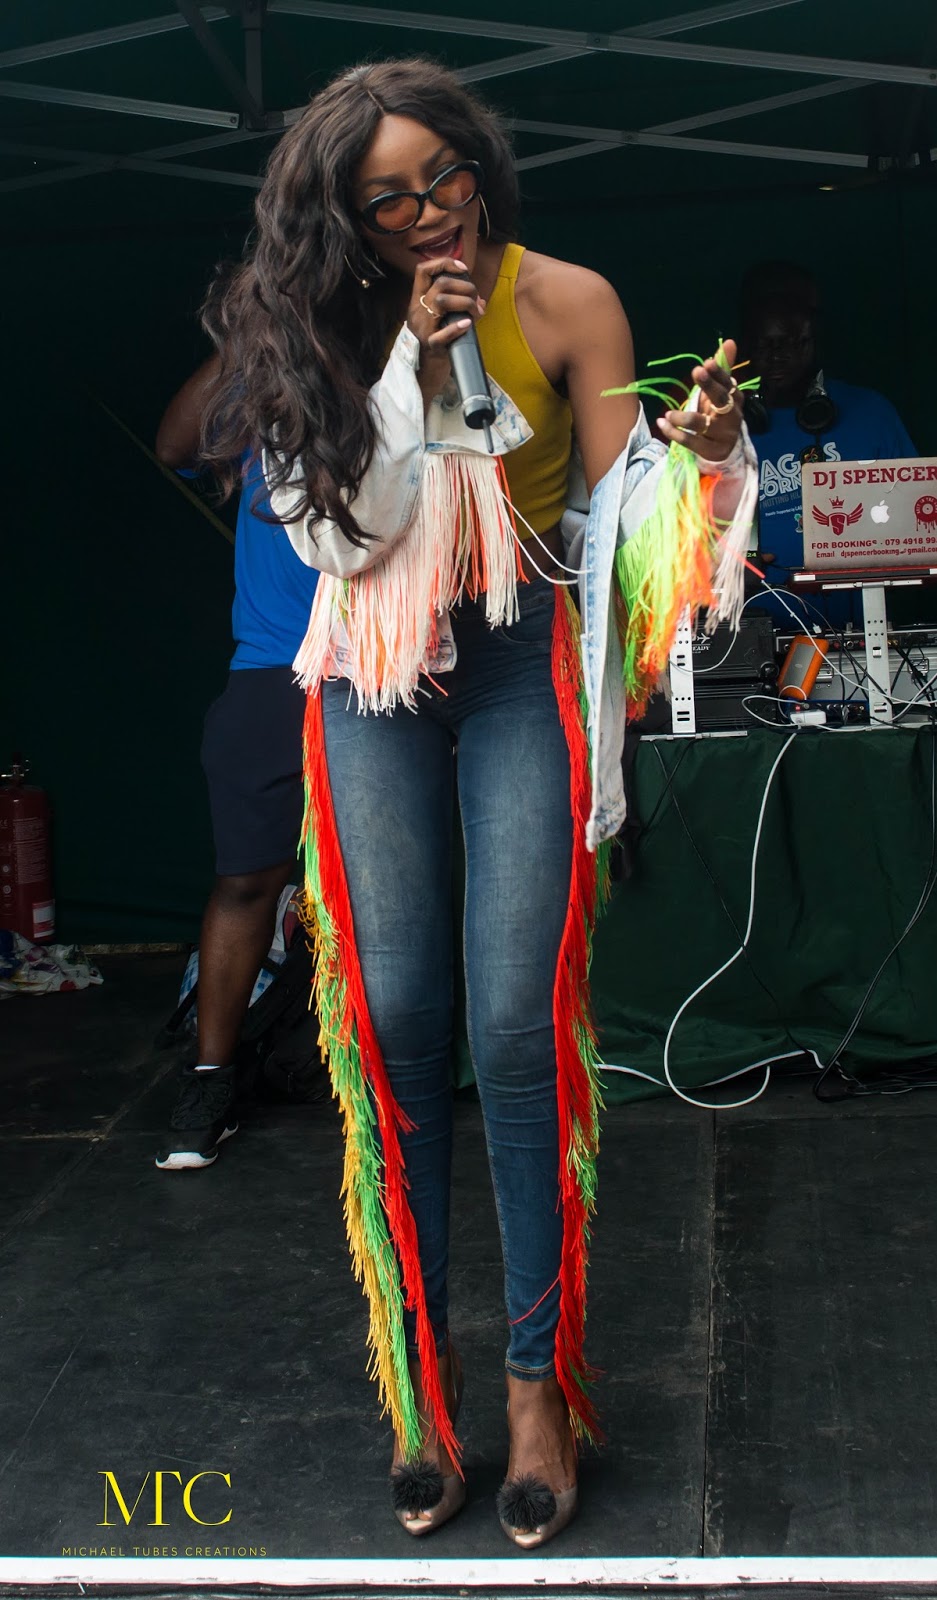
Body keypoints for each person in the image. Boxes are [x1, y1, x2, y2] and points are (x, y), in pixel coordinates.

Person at [199, 58, 749, 1546]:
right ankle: (417, 1390)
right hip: (371, 665)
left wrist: (706, 463)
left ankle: (532, 1384)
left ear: (479, 164)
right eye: (389, 199)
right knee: (394, 1019)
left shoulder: (565, 301)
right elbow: (340, 539)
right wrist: (406, 359)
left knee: (514, 1022)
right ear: (345, 216)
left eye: (443, 176)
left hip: (515, 659)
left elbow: (628, 525)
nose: (429, 213)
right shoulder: (310, 326)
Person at [153, 357, 318, 1169]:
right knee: (247, 880)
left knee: (391, 887)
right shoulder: (269, 380)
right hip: (272, 665)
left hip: (387, 661)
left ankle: (393, 1076)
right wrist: (253, 335)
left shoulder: (406, 365)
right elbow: (174, 446)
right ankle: (210, 1081)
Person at [739, 261, 915, 622]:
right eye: (764, 344)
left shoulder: (872, 414)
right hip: (749, 634)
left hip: (861, 634)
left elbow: (919, 524)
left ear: (813, 340)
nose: (776, 356)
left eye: (790, 342)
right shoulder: (720, 429)